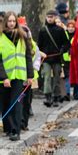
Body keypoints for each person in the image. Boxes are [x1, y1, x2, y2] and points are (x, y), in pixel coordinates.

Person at [0, 11, 34, 141]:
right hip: (5, 78)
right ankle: (8, 128)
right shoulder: (1, 37)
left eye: (14, 21)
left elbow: (28, 57)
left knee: (16, 103)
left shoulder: (23, 36)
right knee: (5, 104)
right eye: (9, 21)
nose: (11, 23)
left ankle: (16, 130)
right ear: (5, 22)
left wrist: (30, 76)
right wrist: (4, 78)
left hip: (19, 76)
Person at [37, 10, 69, 107]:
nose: (50, 18)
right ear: (46, 18)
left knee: (56, 78)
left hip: (57, 58)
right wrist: (41, 55)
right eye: (48, 17)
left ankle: (56, 97)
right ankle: (48, 97)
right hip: (46, 59)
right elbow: (39, 45)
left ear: (55, 17)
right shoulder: (42, 30)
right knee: (47, 77)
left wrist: (62, 50)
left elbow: (67, 43)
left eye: (52, 17)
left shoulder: (60, 30)